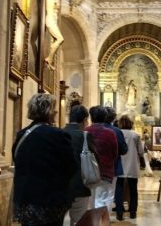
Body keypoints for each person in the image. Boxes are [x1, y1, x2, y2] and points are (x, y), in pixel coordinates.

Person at [12, 93, 78, 226]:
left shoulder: (22, 134)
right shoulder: (58, 135)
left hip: (24, 199)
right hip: (49, 201)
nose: (56, 111)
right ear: (48, 111)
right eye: (54, 108)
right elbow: (72, 166)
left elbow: (16, 159)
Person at [63, 105, 98, 226]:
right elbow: (95, 158)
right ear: (84, 120)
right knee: (79, 221)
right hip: (80, 185)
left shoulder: (59, 133)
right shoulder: (85, 136)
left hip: (61, 186)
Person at [85, 106, 118, 212]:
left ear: (91, 117)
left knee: (91, 201)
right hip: (105, 171)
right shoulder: (110, 133)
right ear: (105, 117)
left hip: (88, 172)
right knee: (104, 200)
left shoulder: (85, 131)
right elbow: (114, 153)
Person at [114, 115, 144, 221]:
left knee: (119, 188)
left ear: (120, 123)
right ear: (131, 124)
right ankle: (132, 212)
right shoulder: (136, 135)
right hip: (132, 164)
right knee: (133, 189)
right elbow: (141, 151)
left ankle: (119, 212)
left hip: (120, 164)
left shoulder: (117, 133)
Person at [43, 0, 64, 70]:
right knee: (60, 39)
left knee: (53, 42)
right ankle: (48, 59)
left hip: (54, 21)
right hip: (50, 19)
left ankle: (49, 62)